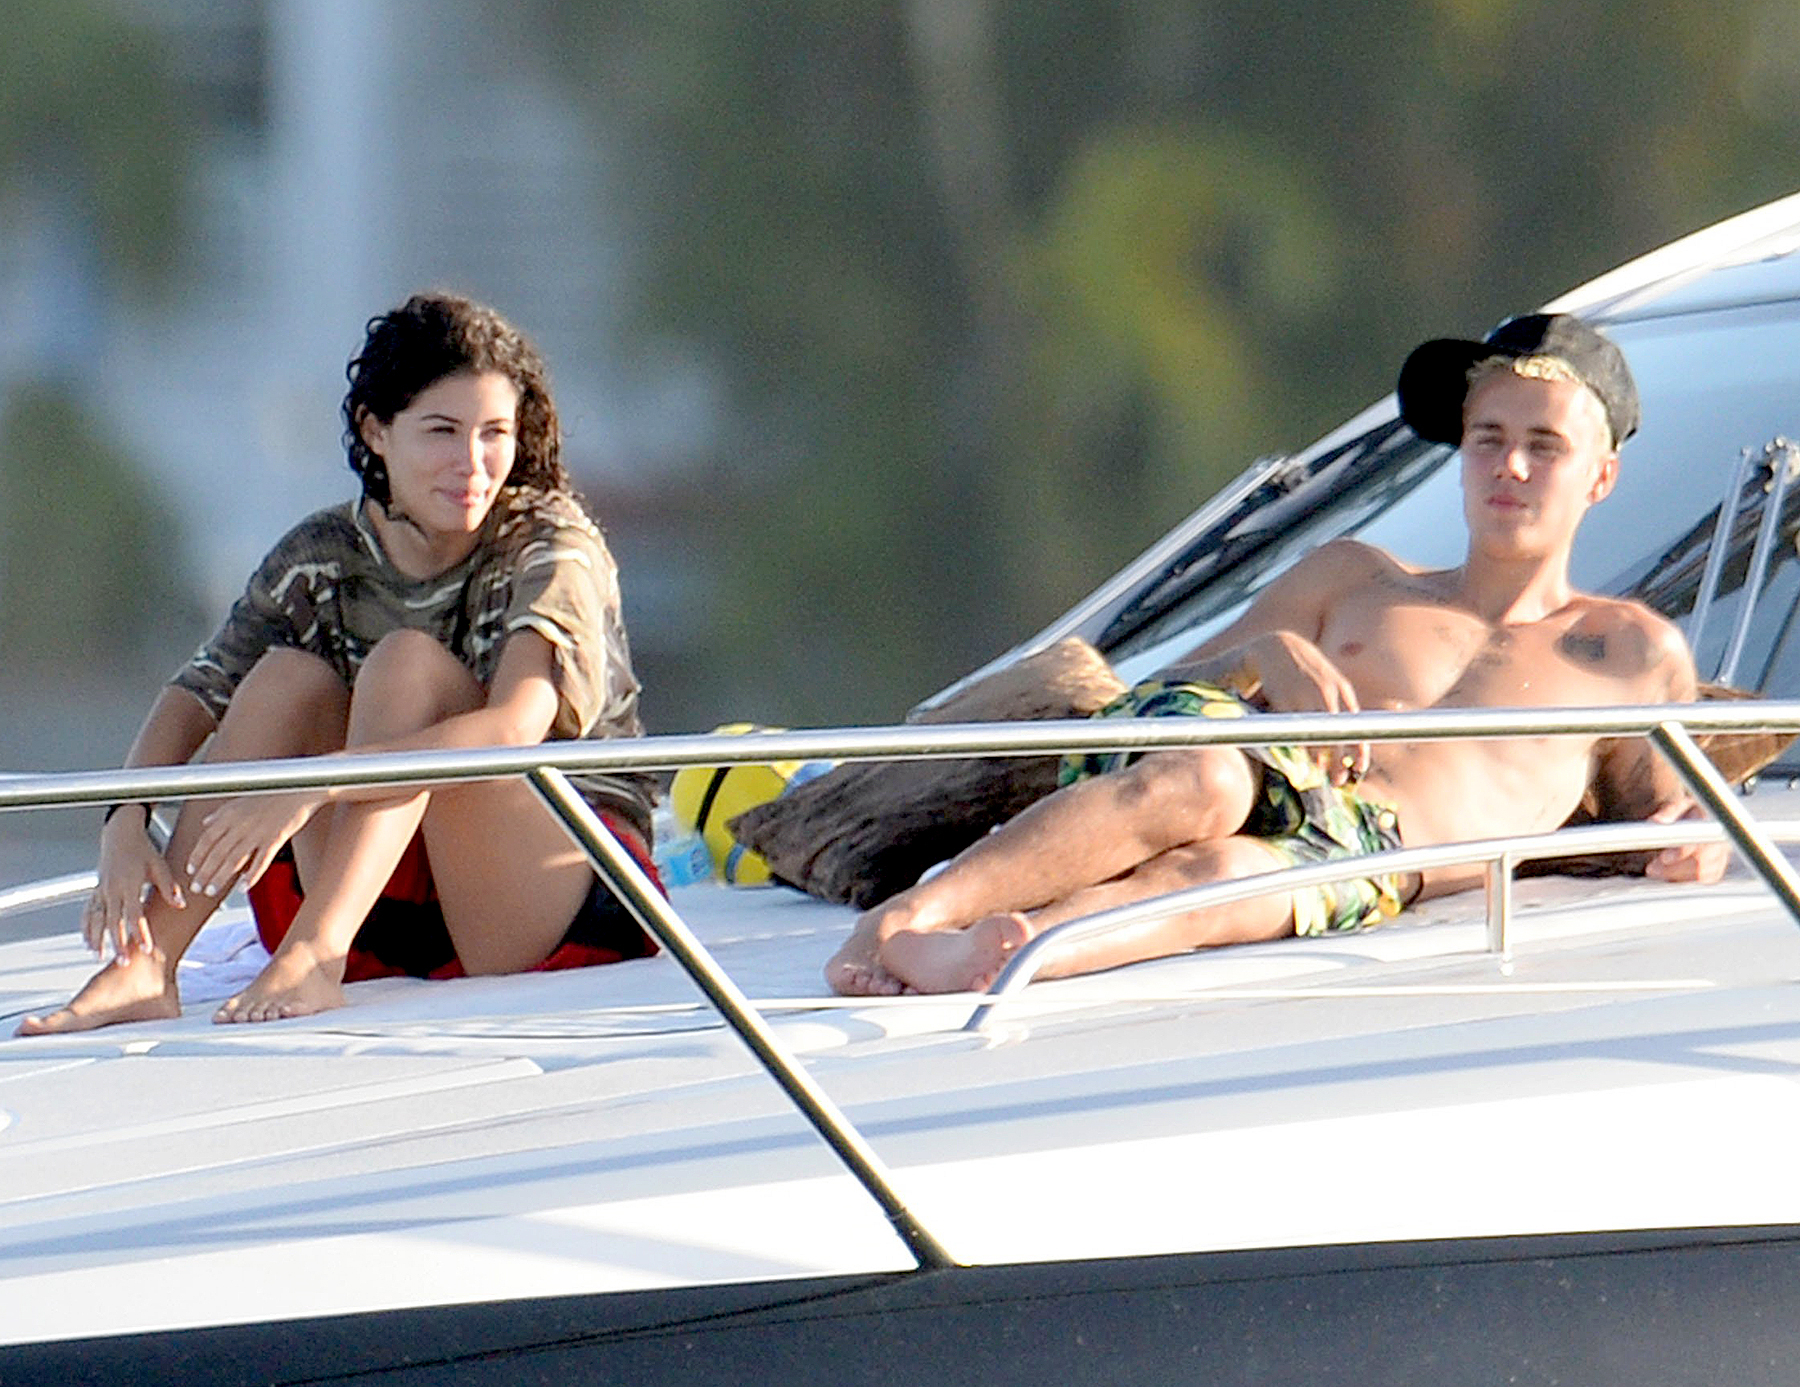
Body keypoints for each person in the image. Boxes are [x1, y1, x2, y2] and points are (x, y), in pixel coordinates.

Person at [828, 313, 1729, 996]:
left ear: (1600, 475)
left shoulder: (1629, 651)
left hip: (1377, 849)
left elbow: (1663, 817)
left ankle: (1013, 953)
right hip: (1243, 753)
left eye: (1545, 446)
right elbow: (1137, 708)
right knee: (1210, 783)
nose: (1511, 468)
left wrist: (1700, 843)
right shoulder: (1356, 576)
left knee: (1224, 881)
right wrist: (1264, 653)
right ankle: (905, 918)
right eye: (1489, 439)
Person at [20, 292, 658, 1033]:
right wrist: (125, 819)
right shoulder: (323, 554)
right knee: (284, 678)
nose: (474, 464)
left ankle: (317, 954)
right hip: (392, 898)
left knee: (406, 666)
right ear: (376, 431)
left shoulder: (551, 544)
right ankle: (146, 963)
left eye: (495, 433)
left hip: (559, 888)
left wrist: (315, 788)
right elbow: (199, 691)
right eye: (443, 432)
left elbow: (517, 725)